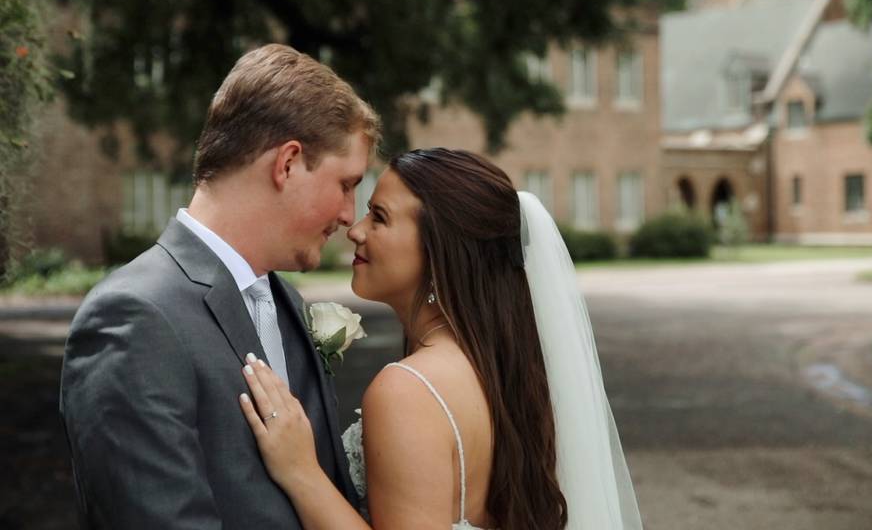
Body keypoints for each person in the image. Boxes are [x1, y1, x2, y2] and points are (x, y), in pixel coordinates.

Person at [59, 43, 381, 528]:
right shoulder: (135, 316)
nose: (348, 215)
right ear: (288, 163)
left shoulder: (286, 300)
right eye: (346, 185)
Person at [238, 148, 644, 529]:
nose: (356, 231)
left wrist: (300, 472)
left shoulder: (409, 391)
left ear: (437, 250)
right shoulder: (503, 367)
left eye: (379, 217)